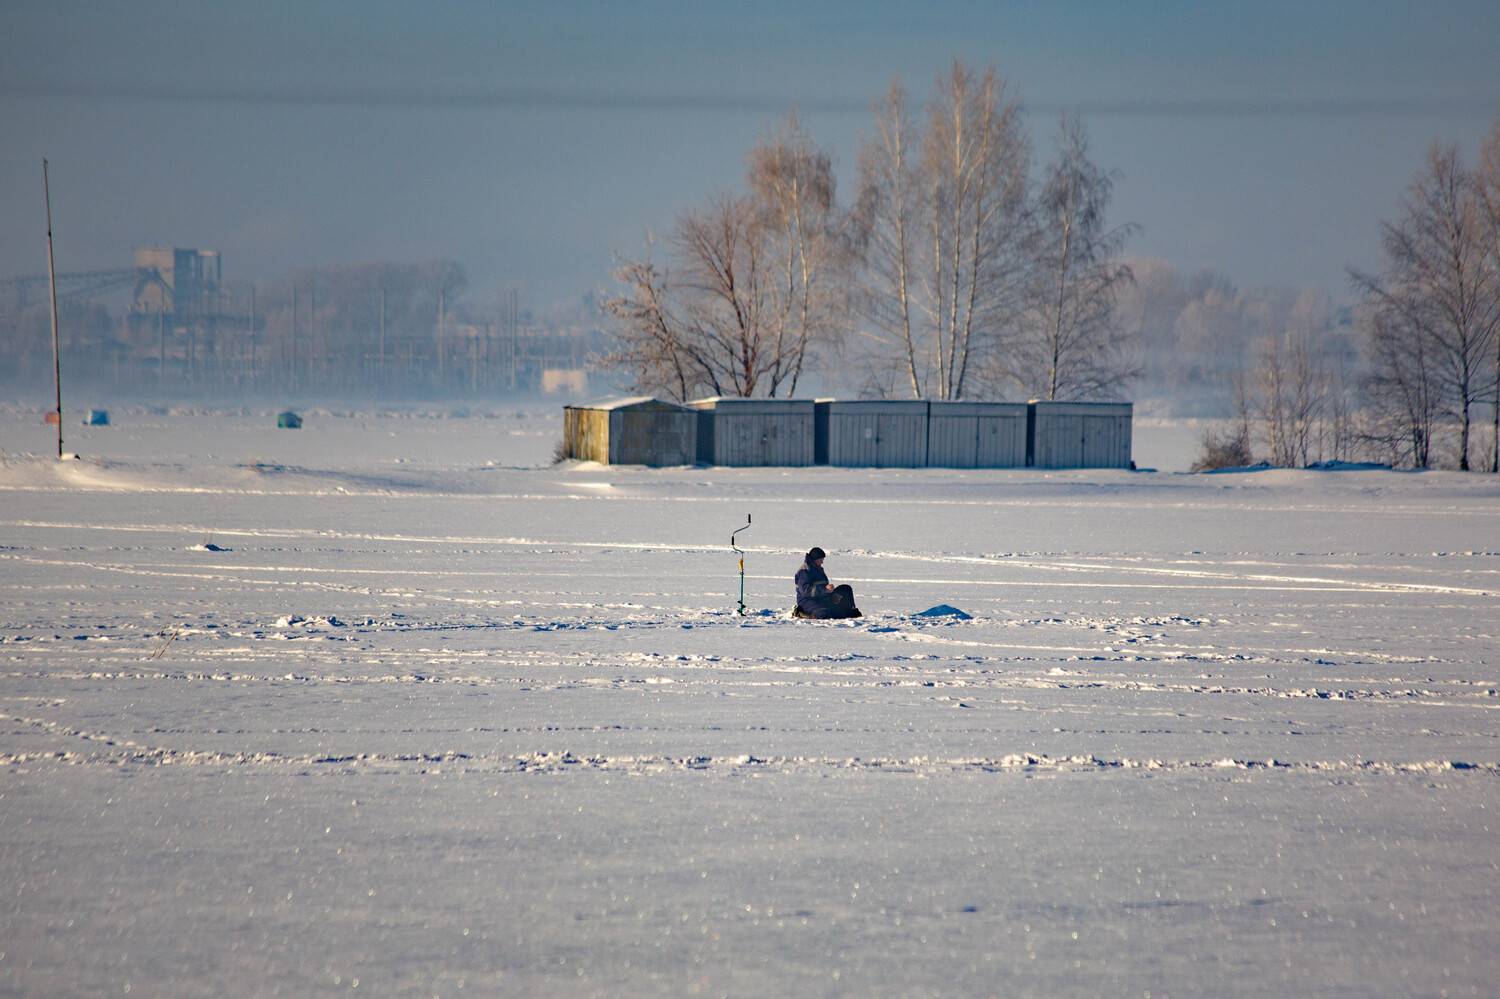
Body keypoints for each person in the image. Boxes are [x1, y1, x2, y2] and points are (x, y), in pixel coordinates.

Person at [793, 547, 861, 619]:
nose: (822, 562)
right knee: (823, 613)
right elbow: (805, 591)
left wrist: (831, 593)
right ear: (815, 559)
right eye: (821, 560)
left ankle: (850, 610)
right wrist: (824, 590)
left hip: (822, 597)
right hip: (807, 601)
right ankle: (801, 613)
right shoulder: (804, 571)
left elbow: (823, 586)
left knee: (846, 589)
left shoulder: (818, 568)